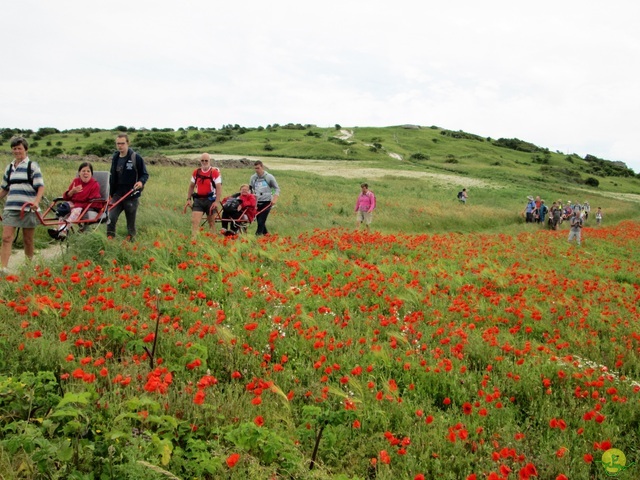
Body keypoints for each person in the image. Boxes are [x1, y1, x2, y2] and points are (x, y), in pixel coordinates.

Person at [0, 137, 45, 273]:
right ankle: (3, 269)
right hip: (11, 207)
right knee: (6, 238)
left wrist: (36, 202)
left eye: (19, 148)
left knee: (28, 240)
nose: (17, 151)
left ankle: (28, 266)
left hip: (28, 208)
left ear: (25, 149)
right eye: (14, 149)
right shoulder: (9, 168)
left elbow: (41, 187)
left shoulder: (32, 166)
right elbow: (4, 189)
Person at [107, 133, 149, 240]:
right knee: (110, 218)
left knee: (130, 224)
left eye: (122, 143)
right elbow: (112, 176)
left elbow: (144, 174)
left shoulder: (136, 157)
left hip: (131, 195)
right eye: (118, 144)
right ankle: (109, 240)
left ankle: (131, 244)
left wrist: (141, 182)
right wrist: (110, 194)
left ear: (128, 143)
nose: (120, 146)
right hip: (117, 194)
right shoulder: (115, 157)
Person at [48, 162, 101, 240]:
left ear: (91, 173)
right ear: (79, 173)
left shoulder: (95, 184)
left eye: (88, 171)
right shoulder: (76, 181)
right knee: (64, 209)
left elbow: (94, 201)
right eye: (83, 171)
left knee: (76, 210)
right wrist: (72, 192)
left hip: (86, 205)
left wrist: (76, 205)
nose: (86, 173)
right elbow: (66, 197)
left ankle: (63, 230)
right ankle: (60, 229)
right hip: (74, 203)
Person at [186, 153, 221, 238]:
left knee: (211, 223)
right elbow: (191, 186)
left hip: (210, 201)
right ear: (200, 161)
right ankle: (193, 239)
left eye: (206, 160)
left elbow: (219, 188)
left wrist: (216, 201)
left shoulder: (214, 172)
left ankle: (213, 239)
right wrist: (188, 199)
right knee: (195, 221)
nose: (204, 162)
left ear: (209, 161)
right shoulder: (196, 172)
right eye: (202, 160)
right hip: (198, 200)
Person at [249, 161, 279, 235]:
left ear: (262, 167)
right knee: (259, 219)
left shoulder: (269, 177)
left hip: (267, 201)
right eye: (255, 168)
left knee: (261, 221)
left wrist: (275, 199)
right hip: (257, 202)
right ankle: (266, 235)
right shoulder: (253, 178)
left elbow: (276, 188)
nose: (256, 170)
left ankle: (257, 235)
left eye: (258, 168)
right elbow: (250, 189)